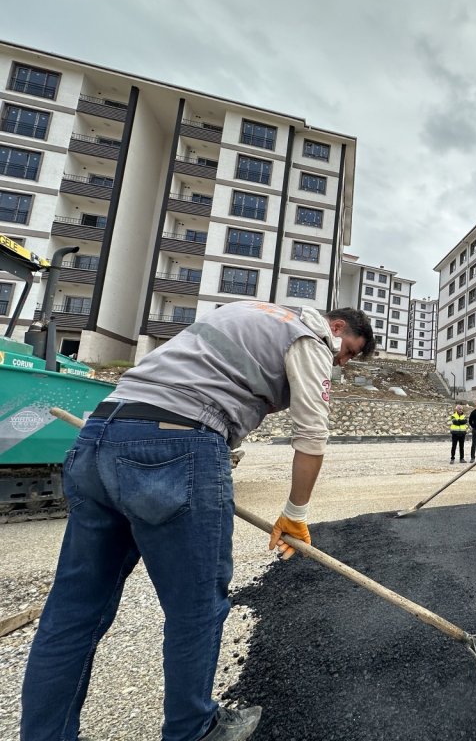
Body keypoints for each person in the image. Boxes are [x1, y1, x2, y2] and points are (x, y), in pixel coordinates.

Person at [20, 301, 375, 741]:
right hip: (177, 442)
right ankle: (195, 730)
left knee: (74, 610)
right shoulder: (311, 334)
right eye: (348, 352)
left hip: (99, 437)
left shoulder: (250, 311)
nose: (341, 363)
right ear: (337, 327)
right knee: (196, 607)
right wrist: (295, 514)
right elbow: (312, 436)